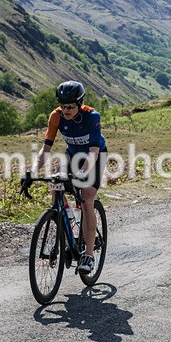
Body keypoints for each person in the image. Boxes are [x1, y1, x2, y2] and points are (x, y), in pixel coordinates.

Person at [30, 80, 107, 274]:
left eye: (71, 106)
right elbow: (45, 149)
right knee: (56, 187)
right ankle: (68, 222)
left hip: (94, 156)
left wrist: (82, 174)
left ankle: (88, 255)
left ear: (79, 104)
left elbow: (94, 153)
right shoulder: (56, 117)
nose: (66, 110)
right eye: (63, 106)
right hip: (73, 155)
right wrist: (31, 172)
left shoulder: (91, 117)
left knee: (87, 198)